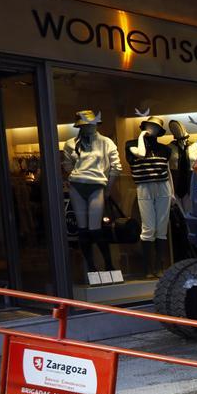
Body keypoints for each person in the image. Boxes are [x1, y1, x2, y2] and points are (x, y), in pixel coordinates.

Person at [62, 110, 121, 275]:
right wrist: (75, 174)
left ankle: (108, 265)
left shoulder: (105, 142)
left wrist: (108, 188)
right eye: (86, 124)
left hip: (96, 186)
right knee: (83, 229)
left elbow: (116, 166)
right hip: (77, 185)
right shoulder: (70, 143)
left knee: (95, 228)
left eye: (92, 124)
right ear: (81, 126)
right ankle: (91, 268)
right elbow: (67, 164)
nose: (89, 127)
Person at [127, 116, 173, 278]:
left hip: (162, 187)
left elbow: (167, 172)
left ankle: (159, 267)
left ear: (159, 131)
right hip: (144, 187)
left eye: (155, 127)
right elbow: (140, 154)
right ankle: (147, 269)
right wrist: (141, 136)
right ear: (144, 126)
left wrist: (172, 192)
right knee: (148, 228)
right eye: (149, 125)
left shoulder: (165, 149)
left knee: (161, 229)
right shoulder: (131, 145)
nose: (151, 128)